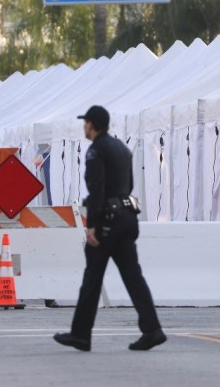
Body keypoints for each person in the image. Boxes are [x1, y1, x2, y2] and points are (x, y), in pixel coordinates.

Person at [54, 105, 166, 352]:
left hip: (107, 221)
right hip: (127, 217)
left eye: (86, 123)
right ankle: (152, 329)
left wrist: (92, 225)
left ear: (92, 125)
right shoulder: (122, 148)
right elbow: (128, 185)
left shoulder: (97, 150)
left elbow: (97, 189)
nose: (84, 126)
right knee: (133, 277)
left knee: (92, 278)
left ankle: (81, 335)